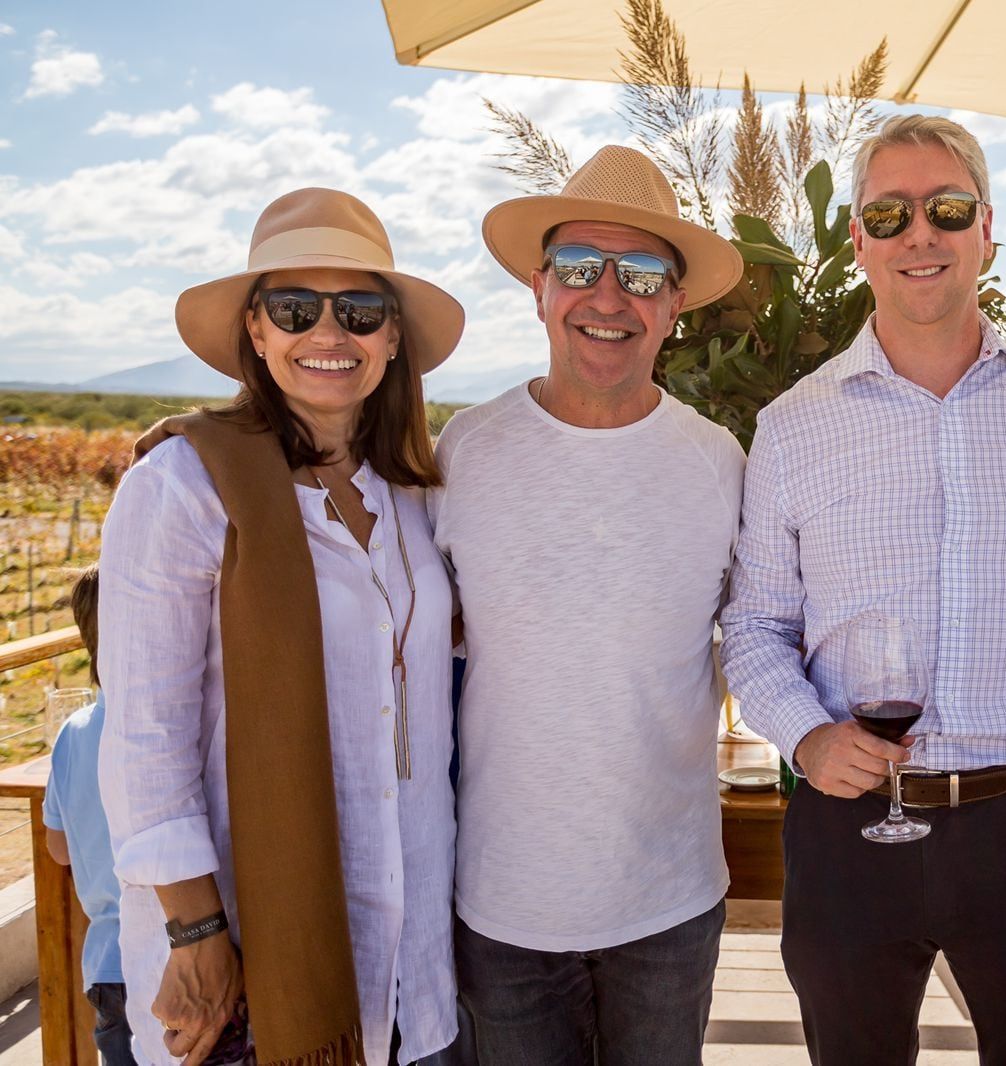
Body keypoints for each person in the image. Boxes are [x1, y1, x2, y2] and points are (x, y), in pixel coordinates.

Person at [720, 114, 1006, 1065]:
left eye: (945, 208)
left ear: (987, 228)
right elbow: (754, 624)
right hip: (849, 820)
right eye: (888, 215)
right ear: (856, 240)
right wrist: (806, 735)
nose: (917, 235)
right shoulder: (792, 427)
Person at [97, 188, 465, 1066]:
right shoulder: (181, 488)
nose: (329, 334)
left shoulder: (414, 497)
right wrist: (195, 933)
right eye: (296, 308)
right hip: (254, 973)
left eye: (360, 310)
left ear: (392, 338)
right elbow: (145, 738)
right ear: (256, 332)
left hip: (414, 975)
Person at [433, 145, 746, 1065]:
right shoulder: (465, 452)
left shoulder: (719, 464)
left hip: (670, 897)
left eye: (642, 273)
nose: (608, 297)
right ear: (539, 289)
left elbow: (763, 637)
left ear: (675, 306)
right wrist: (223, 446)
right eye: (579, 268)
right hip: (500, 901)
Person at [44, 565, 135, 1066]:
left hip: (105, 966)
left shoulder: (72, 735)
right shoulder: (164, 728)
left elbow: (58, 849)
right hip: (175, 958)